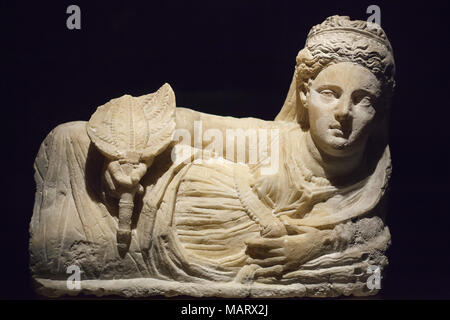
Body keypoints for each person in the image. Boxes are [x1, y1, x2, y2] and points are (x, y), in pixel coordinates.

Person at [30, 16, 395, 292]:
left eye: (363, 100)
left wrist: (315, 243)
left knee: (61, 254)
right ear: (304, 95)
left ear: (379, 110)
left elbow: (371, 236)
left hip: (168, 243)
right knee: (72, 139)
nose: (344, 113)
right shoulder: (271, 140)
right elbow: (185, 121)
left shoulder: (372, 177)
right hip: (145, 204)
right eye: (329, 93)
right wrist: (127, 155)